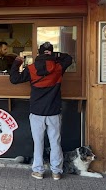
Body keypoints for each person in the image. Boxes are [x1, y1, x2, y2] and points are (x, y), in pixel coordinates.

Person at [9, 41, 72, 180]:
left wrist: (17, 62)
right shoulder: (58, 67)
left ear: (39, 52)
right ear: (50, 52)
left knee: (38, 142)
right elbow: (68, 58)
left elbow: (14, 79)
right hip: (54, 111)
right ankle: (56, 171)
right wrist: (54, 56)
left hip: (37, 111)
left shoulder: (31, 69)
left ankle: (38, 171)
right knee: (55, 142)